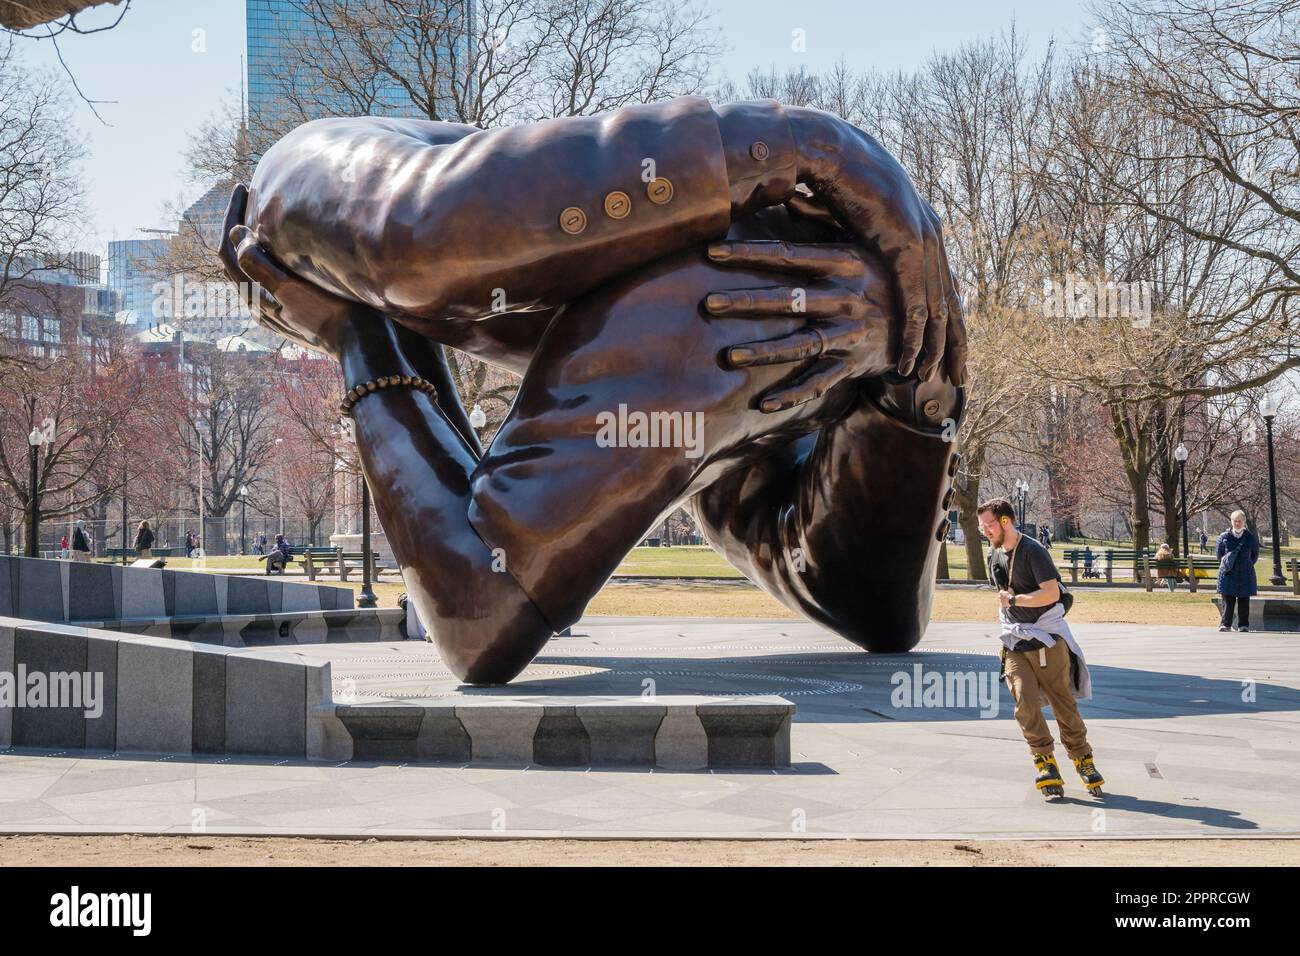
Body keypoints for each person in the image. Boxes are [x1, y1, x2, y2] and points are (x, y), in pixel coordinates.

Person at [220, 96, 969, 685]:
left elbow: (878, 613)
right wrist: (812, 149)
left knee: (420, 252)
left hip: (326, 210)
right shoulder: (723, 331)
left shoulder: (736, 372)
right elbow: (479, 614)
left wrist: (357, 338)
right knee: (419, 244)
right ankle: (806, 165)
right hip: (317, 192)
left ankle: (817, 182)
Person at [979, 497, 1104, 798]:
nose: (985, 531)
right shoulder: (994, 556)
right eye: (982, 526)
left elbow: (1050, 594)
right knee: (1025, 702)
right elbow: (1002, 596)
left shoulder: (1033, 551)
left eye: (989, 525)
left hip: (1047, 641)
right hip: (1016, 643)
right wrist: (1008, 602)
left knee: (1063, 703)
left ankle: (1082, 759)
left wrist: (1016, 600)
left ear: (1005, 521)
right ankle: (1044, 761)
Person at [1216, 510, 1259, 632]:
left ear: (1244, 522)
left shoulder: (1250, 537)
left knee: (1244, 600)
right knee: (1228, 600)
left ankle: (1243, 625)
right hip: (1228, 573)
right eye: (1235, 520)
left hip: (1245, 572)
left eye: (1240, 521)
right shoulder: (1224, 537)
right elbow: (1219, 555)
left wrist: (1245, 564)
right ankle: (1225, 624)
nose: (1237, 523)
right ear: (1231, 521)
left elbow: (1254, 555)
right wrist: (1229, 565)